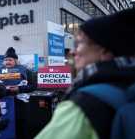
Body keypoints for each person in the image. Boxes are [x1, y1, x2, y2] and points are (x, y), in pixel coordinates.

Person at [36, 8, 135, 139]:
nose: (72, 52)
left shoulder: (83, 103)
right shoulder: (128, 84)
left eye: (78, 44)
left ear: (104, 51)